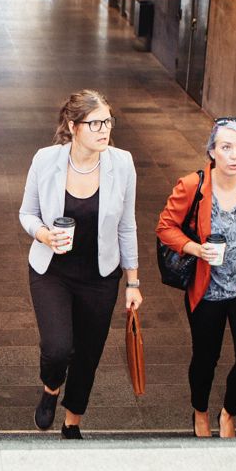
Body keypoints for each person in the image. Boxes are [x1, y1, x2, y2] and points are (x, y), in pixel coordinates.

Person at [18, 90, 142, 439]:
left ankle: (73, 421)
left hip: (100, 277)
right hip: (52, 272)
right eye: (95, 123)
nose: (105, 129)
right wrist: (43, 234)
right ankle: (51, 386)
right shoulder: (46, 160)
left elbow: (127, 224)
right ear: (73, 127)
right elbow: (26, 213)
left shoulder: (123, 163)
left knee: (88, 353)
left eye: (108, 121)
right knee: (58, 348)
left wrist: (132, 282)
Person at [155, 117, 236, 439]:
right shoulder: (192, 186)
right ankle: (200, 409)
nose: (234, 155)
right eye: (226, 147)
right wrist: (196, 249)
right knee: (205, 357)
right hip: (207, 292)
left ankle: (229, 410)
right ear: (212, 151)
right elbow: (164, 228)